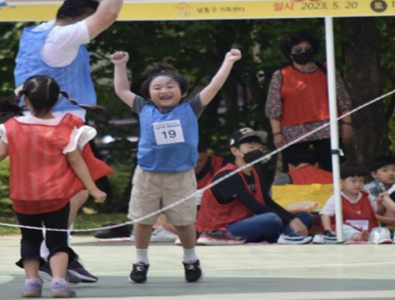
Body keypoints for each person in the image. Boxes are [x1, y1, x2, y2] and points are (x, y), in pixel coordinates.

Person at [13, 0, 124, 283]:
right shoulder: (63, 39)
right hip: (56, 127)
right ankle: (54, 253)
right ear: (78, 22)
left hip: (42, 124)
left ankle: (57, 252)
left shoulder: (41, 30)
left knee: (71, 192)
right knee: (70, 193)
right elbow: (108, 13)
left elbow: (83, 6)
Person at [0, 76, 107, 298]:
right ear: (57, 100)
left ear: (25, 100)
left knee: (29, 238)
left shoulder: (12, 127)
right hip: (56, 197)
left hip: (24, 197)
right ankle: (58, 283)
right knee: (58, 240)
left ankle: (32, 283)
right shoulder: (66, 127)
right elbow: (76, 161)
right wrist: (93, 189)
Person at [111, 48, 242, 283]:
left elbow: (215, 85)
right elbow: (121, 89)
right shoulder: (143, 108)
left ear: (182, 92)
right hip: (147, 175)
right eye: (158, 87)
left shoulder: (191, 108)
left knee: (184, 222)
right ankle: (141, 261)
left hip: (181, 175)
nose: (164, 91)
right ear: (148, 94)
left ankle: (190, 259)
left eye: (170, 86)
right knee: (143, 221)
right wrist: (120, 65)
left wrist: (228, 61)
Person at [196, 127, 314, 245]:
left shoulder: (254, 172)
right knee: (271, 219)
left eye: (258, 147)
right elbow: (255, 206)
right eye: (251, 147)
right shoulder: (228, 175)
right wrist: (289, 221)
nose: (256, 150)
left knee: (304, 217)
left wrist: (293, 219)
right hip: (221, 230)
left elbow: (267, 202)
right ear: (235, 151)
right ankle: (283, 235)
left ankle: (284, 236)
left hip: (245, 222)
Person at [265, 32, 353, 172]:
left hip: (326, 128)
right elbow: (274, 108)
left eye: (307, 49)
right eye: (298, 50)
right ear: (289, 53)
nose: (303, 52)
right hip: (293, 132)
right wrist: (276, 133)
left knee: (334, 169)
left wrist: (347, 123)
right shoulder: (280, 75)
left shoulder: (328, 72)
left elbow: (343, 100)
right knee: (295, 172)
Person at [149, 143, 227, 243]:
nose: (195, 166)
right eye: (191, 162)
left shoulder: (220, 165)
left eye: (200, 161)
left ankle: (173, 231)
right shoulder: (173, 168)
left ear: (206, 155)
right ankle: (168, 230)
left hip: (210, 212)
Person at [317, 165, 379, 244]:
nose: (358, 184)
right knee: (340, 228)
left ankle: (371, 236)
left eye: (361, 181)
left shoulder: (368, 197)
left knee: (380, 230)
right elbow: (325, 214)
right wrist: (328, 231)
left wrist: (381, 202)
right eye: (353, 181)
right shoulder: (336, 197)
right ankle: (357, 236)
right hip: (346, 229)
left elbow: (377, 212)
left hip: (368, 228)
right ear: (342, 182)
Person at [363, 155, 395, 228]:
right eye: (385, 170)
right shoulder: (370, 189)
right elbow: (370, 213)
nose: (391, 173)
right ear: (374, 174)